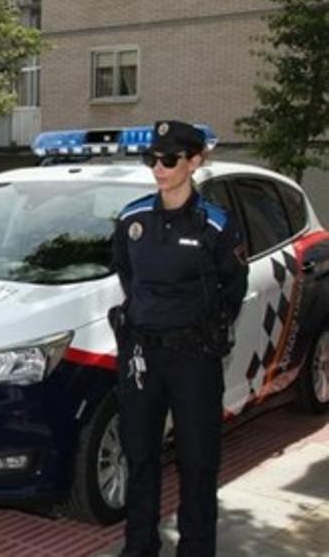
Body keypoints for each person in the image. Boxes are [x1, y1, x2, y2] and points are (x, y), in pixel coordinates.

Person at [111, 120, 249, 557]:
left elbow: (234, 285)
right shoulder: (132, 218)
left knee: (198, 462)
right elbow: (127, 275)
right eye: (152, 158)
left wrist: (204, 327)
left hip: (194, 358)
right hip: (142, 356)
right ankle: (139, 548)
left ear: (194, 162)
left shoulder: (215, 225)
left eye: (169, 159)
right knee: (140, 457)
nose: (159, 167)